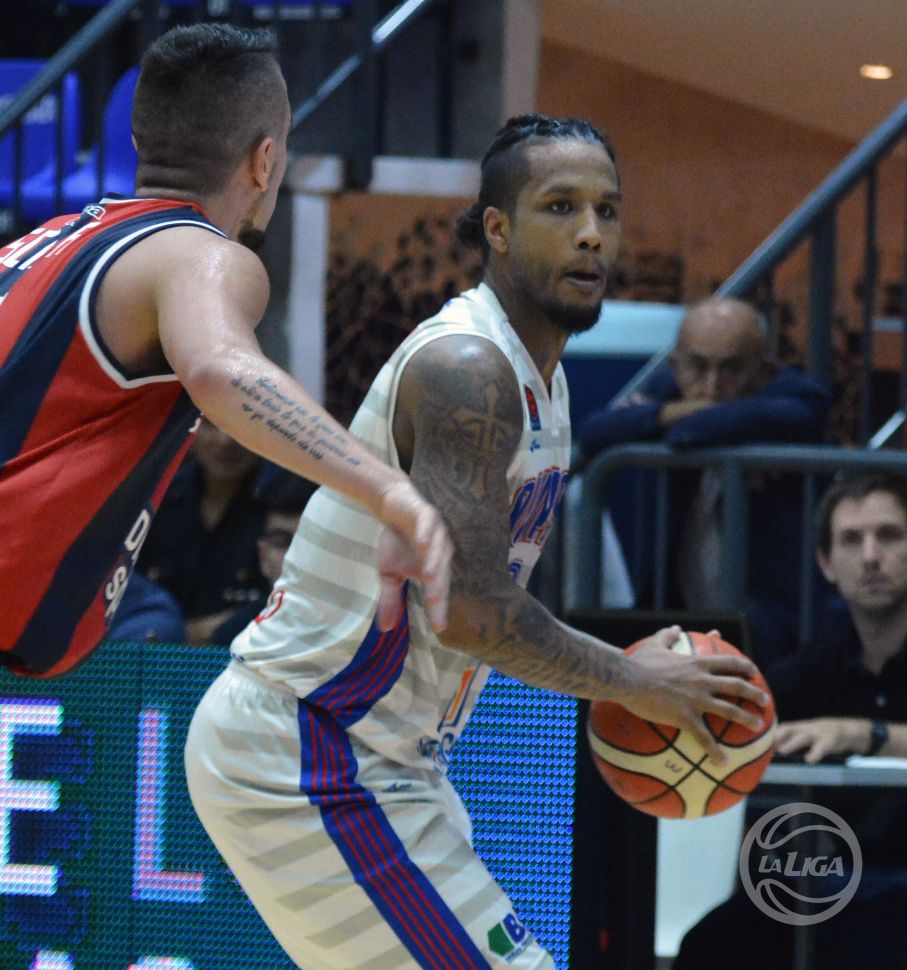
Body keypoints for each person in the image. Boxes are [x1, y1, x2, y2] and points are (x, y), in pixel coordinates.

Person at [185, 113, 769, 970]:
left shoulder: (545, 383)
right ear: (495, 228)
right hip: (311, 748)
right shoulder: (469, 368)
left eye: (606, 210)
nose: (590, 233)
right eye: (560, 207)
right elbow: (469, 612)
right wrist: (637, 682)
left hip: (386, 758)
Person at [0, 22, 451, 679]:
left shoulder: (42, 243)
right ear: (265, 160)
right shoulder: (201, 254)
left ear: (137, 144)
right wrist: (389, 492)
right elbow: (218, 369)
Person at [673, 472, 907, 970]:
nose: (871, 556)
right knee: (710, 946)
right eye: (851, 540)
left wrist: (864, 735)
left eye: (889, 535)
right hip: (828, 884)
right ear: (826, 563)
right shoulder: (810, 668)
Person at [575, 297, 834, 664]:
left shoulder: (798, 396)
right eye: (698, 367)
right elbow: (594, 432)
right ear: (676, 366)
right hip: (677, 616)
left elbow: (692, 433)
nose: (712, 387)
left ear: (765, 371)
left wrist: (671, 419)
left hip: (778, 624)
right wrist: (679, 415)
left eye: (732, 369)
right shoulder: (669, 391)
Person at [137, 418, 270, 644]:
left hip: (243, 652)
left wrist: (212, 631)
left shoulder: (280, 506)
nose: (225, 440)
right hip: (150, 653)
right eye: (211, 423)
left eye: (240, 425)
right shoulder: (157, 497)